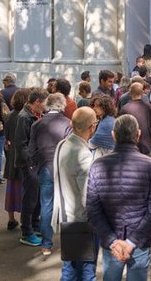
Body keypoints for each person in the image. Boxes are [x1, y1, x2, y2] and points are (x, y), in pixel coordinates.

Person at [87, 114, 151, 280]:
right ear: (138, 134)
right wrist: (131, 242)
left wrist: (112, 241)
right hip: (140, 239)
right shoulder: (150, 165)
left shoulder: (98, 165)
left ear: (113, 135)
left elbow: (93, 209)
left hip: (111, 240)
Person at [52, 107, 99, 280]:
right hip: (81, 220)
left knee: (70, 269)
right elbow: (88, 196)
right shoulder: (83, 154)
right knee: (86, 272)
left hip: (65, 215)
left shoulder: (62, 144)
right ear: (92, 127)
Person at [28, 92, 72, 255]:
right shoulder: (68, 123)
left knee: (46, 205)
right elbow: (70, 149)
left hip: (45, 166)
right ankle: (69, 241)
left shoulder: (37, 124)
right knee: (67, 205)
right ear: (62, 104)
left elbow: (31, 150)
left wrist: (36, 164)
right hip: (63, 167)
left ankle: (46, 243)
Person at [15, 87, 48, 247]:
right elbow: (21, 144)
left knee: (37, 197)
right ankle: (26, 232)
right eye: (44, 104)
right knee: (30, 198)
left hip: (37, 162)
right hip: (29, 164)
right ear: (36, 102)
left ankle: (34, 225)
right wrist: (30, 164)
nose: (45, 107)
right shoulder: (24, 117)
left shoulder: (34, 115)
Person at [4, 88, 30, 231]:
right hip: (23, 155)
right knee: (25, 190)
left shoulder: (8, 116)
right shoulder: (26, 117)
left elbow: (7, 139)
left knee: (11, 189)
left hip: (11, 155)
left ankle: (11, 219)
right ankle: (26, 219)